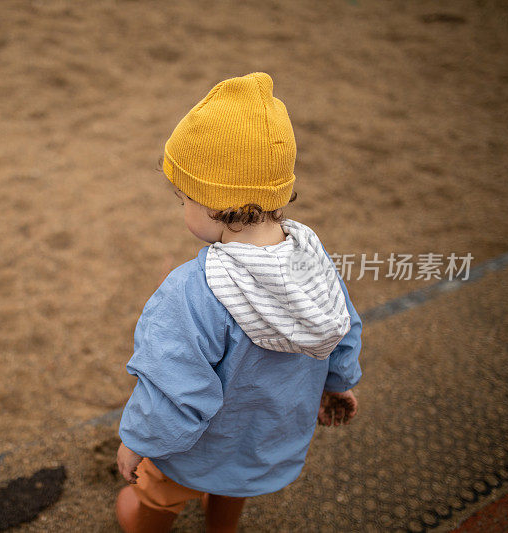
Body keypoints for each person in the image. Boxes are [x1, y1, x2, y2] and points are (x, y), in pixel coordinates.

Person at [115, 73, 362, 533]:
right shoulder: (313, 257)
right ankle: (221, 525)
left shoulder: (194, 290)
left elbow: (175, 385)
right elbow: (342, 324)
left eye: (184, 196)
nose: (182, 206)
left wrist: (137, 440)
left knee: (149, 497)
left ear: (212, 203)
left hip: (197, 449)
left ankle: (144, 525)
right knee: (232, 488)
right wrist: (339, 381)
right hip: (263, 439)